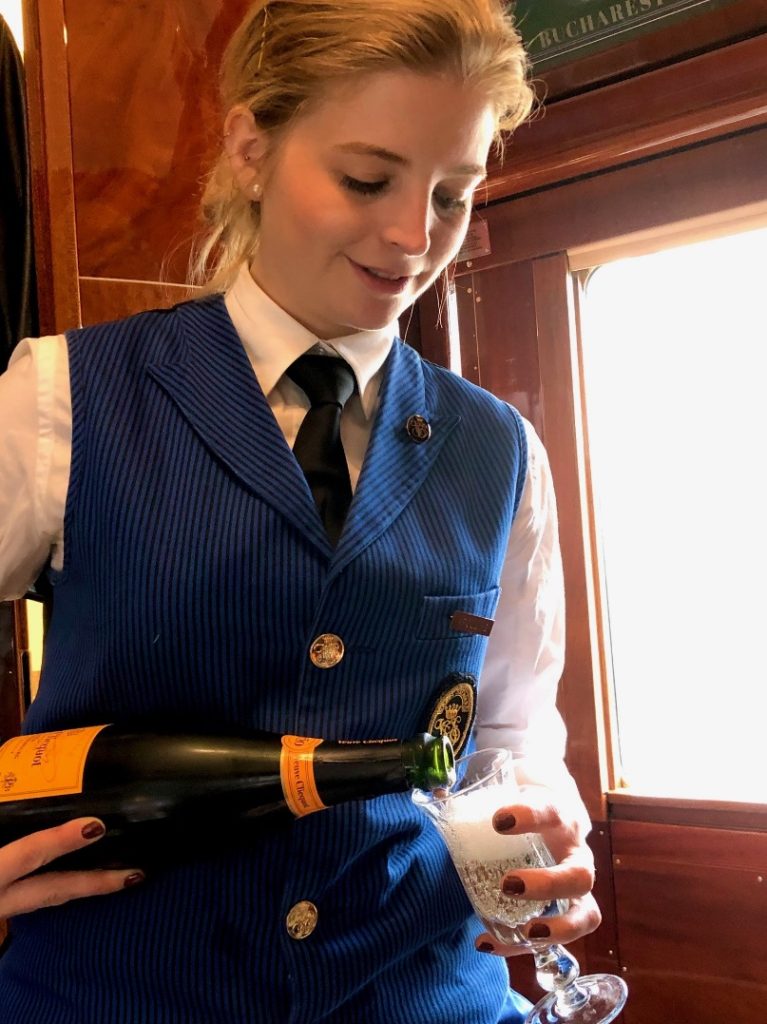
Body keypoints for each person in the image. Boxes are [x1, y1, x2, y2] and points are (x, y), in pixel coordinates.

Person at [0, 1, 601, 1020]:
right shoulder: (62, 394)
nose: (413, 237)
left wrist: (541, 822)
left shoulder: (498, 447)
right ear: (249, 147)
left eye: (451, 194)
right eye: (365, 179)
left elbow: (503, 723)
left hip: (425, 996)